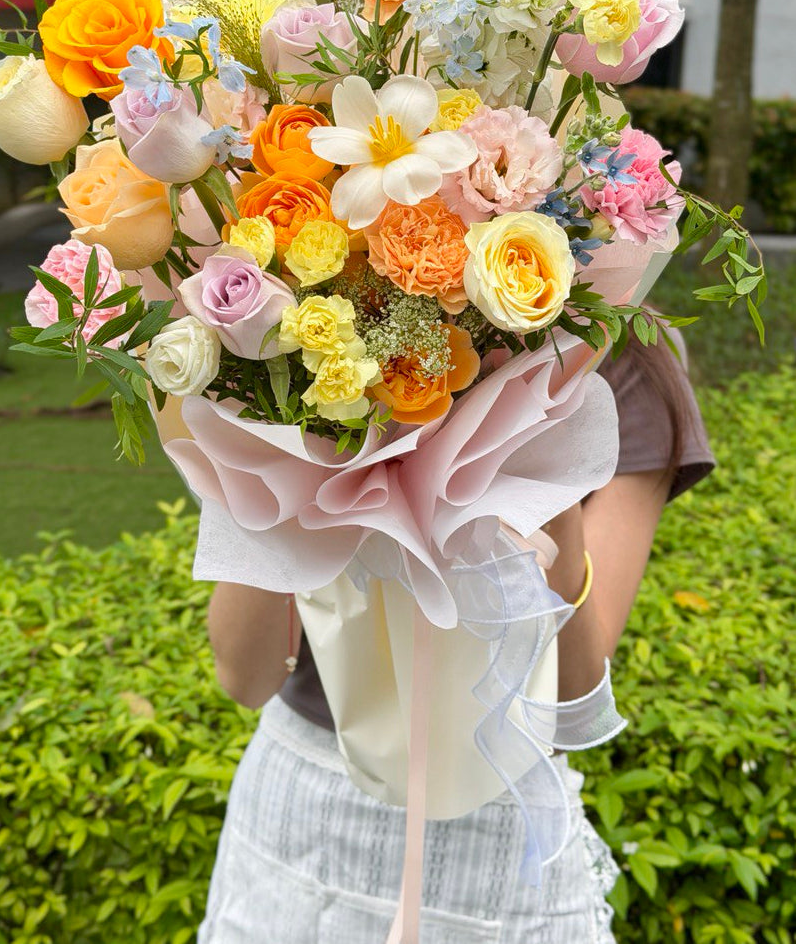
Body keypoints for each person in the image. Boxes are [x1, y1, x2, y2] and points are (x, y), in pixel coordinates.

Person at [196, 332, 715, 943]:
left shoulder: (625, 360)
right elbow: (245, 675)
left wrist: (544, 446)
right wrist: (296, 431)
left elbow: (570, 699)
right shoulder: (311, 324)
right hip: (298, 818)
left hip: (493, 821)